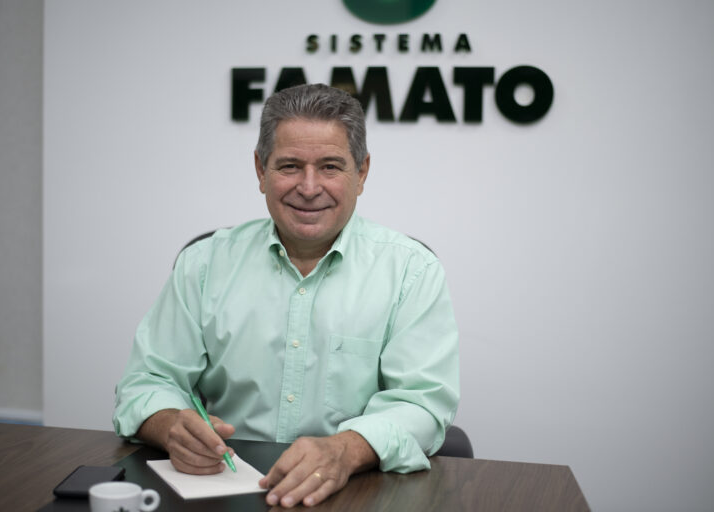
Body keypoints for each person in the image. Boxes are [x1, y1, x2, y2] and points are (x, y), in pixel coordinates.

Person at [113, 83, 459, 508]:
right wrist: (170, 425)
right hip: (225, 489)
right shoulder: (203, 264)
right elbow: (146, 381)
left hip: (358, 493)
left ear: (362, 172)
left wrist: (346, 450)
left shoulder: (412, 271)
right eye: (290, 166)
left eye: (330, 167)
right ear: (261, 171)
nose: (309, 188)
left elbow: (423, 405)